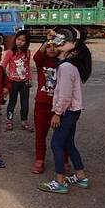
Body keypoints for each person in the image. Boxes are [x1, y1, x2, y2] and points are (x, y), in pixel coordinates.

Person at [39, 35, 92, 194]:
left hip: (66, 112)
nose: (65, 43)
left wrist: (57, 113)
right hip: (72, 111)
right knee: (68, 143)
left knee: (56, 144)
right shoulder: (68, 66)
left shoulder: (66, 67)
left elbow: (65, 96)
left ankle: (60, 181)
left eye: (70, 43)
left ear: (74, 52)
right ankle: (81, 176)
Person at [31, 30, 70, 174]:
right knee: (40, 134)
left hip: (59, 106)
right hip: (42, 104)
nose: (52, 48)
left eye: (55, 46)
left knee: (62, 135)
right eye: (49, 46)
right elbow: (37, 55)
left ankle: (64, 160)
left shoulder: (64, 63)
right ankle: (39, 159)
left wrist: (58, 39)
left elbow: (70, 47)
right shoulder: (41, 62)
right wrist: (47, 40)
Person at [2, 30, 33, 132]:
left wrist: (30, 79)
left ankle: (24, 121)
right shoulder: (10, 52)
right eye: (18, 39)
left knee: (25, 102)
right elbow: (3, 66)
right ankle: (9, 121)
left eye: (23, 40)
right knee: (12, 102)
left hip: (24, 82)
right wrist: (5, 81)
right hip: (13, 82)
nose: (20, 42)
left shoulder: (27, 52)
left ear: (26, 42)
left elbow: (28, 66)